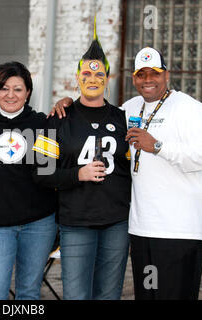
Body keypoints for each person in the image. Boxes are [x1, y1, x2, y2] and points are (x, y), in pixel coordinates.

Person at [32, 28, 131, 299]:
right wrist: (79, 174)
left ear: (108, 79)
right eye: (86, 73)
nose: (92, 79)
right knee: (76, 295)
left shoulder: (123, 118)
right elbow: (41, 173)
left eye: (99, 74)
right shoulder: (57, 118)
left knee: (108, 295)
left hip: (117, 221)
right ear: (77, 77)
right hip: (76, 221)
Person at [122, 47, 202, 300]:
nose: (148, 80)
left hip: (179, 231)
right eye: (141, 74)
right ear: (134, 78)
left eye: (154, 73)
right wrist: (67, 101)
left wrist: (158, 147)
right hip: (142, 229)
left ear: (166, 75)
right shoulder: (129, 108)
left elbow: (201, 156)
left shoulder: (190, 109)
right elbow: (96, 113)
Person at [0, 61, 57, 300]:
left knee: (29, 292)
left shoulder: (43, 125)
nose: (10, 95)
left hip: (38, 223)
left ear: (28, 92)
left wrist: (66, 102)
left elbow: (50, 173)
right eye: (4, 88)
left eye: (18, 89)